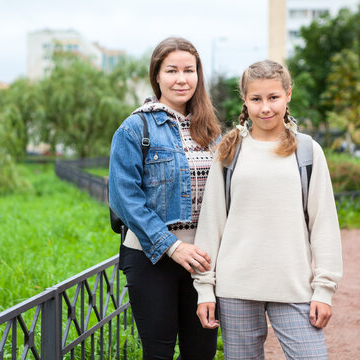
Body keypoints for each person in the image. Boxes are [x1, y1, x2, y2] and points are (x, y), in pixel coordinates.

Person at [192, 60, 343, 360]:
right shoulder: (229, 152)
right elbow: (211, 224)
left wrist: (324, 289)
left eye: (273, 97)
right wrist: (205, 288)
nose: (265, 108)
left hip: (294, 285)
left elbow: (323, 223)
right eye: (256, 99)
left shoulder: (307, 151)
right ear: (245, 102)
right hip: (236, 288)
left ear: (288, 95)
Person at [108, 37, 221, 360]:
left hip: (203, 260)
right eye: (171, 70)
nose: (181, 78)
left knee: (201, 352)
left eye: (189, 70)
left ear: (199, 75)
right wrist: (173, 246)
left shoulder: (212, 131)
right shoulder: (134, 128)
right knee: (158, 353)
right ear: (156, 76)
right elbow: (124, 198)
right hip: (152, 257)